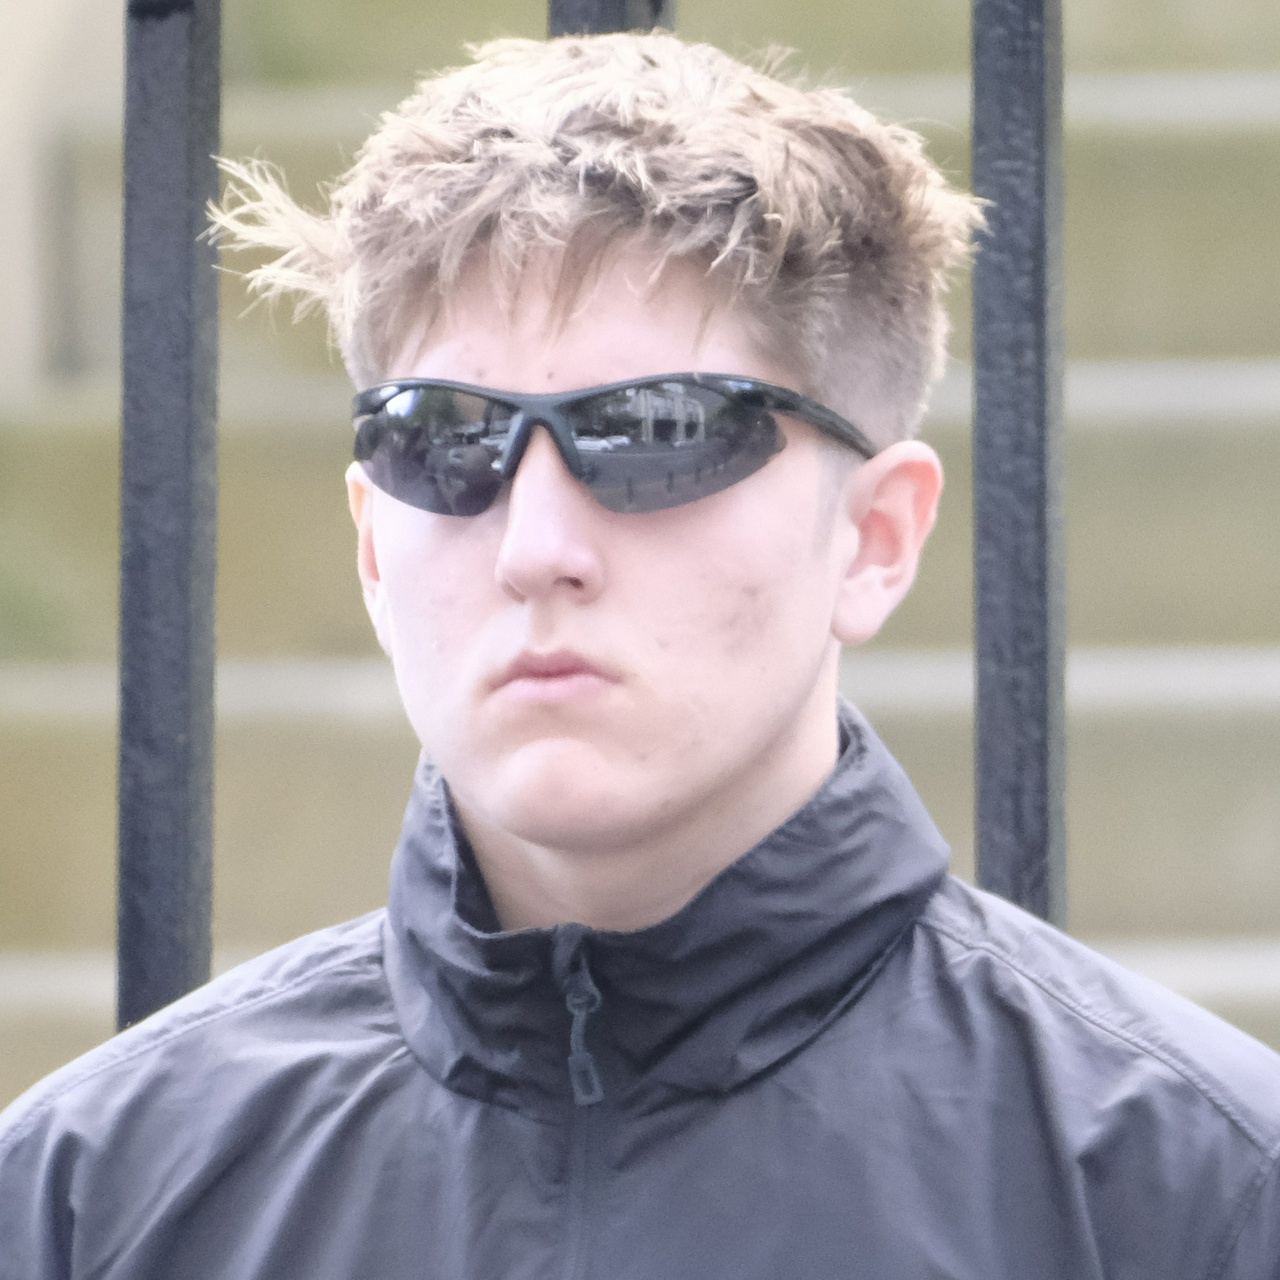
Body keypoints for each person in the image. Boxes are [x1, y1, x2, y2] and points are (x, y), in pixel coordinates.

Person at [3, 32, 1279, 1280]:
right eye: (446, 437)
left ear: (875, 537)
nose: (536, 546)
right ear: (372, 547)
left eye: (657, 431)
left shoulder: (1192, 1194)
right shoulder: (84, 1195)